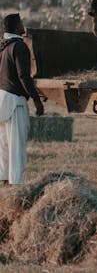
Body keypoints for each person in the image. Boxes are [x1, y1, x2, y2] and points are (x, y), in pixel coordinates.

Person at [0, 13, 44, 185]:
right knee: (16, 146)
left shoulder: (3, 46)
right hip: (15, 102)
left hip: (2, 97)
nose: (23, 25)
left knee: (3, 144)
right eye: (21, 23)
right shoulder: (19, 46)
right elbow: (24, 76)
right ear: (16, 26)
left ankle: (3, 180)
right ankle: (17, 184)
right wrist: (36, 99)